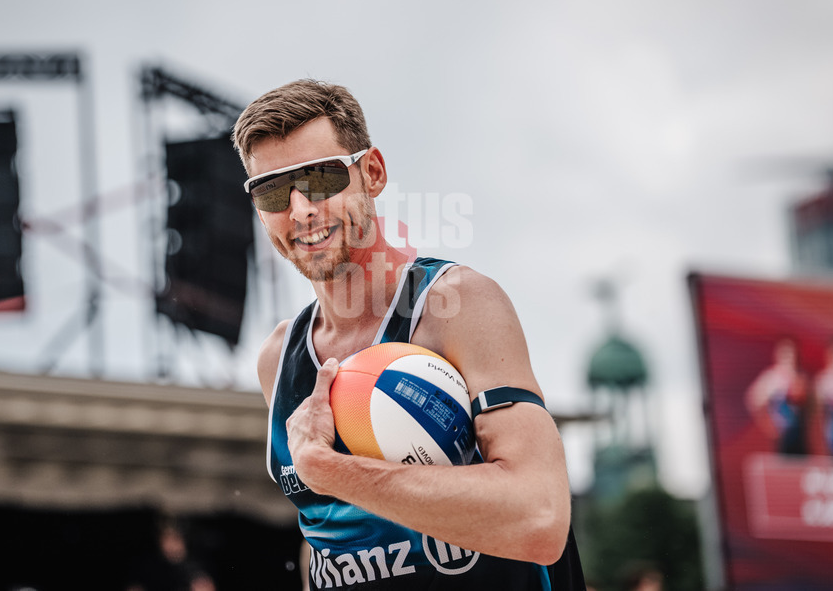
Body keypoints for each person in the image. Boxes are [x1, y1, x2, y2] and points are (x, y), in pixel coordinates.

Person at [232, 79, 585, 589]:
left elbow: (539, 519)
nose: (302, 209)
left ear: (371, 173)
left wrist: (329, 469)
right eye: (272, 191)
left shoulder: (456, 305)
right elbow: (328, 542)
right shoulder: (279, 359)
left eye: (320, 178)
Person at [745, 336, 810, 455]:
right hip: (782, 438)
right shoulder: (772, 377)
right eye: (787, 354)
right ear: (778, 355)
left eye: (793, 353)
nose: (791, 358)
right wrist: (768, 425)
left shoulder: (802, 376)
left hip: (801, 437)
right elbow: (753, 400)